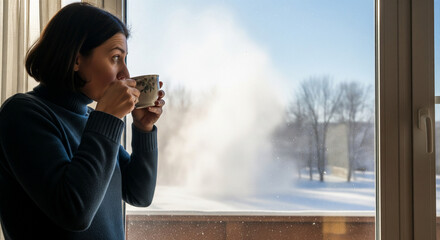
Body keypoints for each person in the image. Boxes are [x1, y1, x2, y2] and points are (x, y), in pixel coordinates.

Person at [0, 2, 165, 239]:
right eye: (116, 57)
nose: (126, 75)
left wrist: (143, 127)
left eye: (125, 59)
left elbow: (139, 194)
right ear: (76, 60)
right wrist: (107, 117)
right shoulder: (22, 114)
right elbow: (75, 212)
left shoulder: (90, 119)